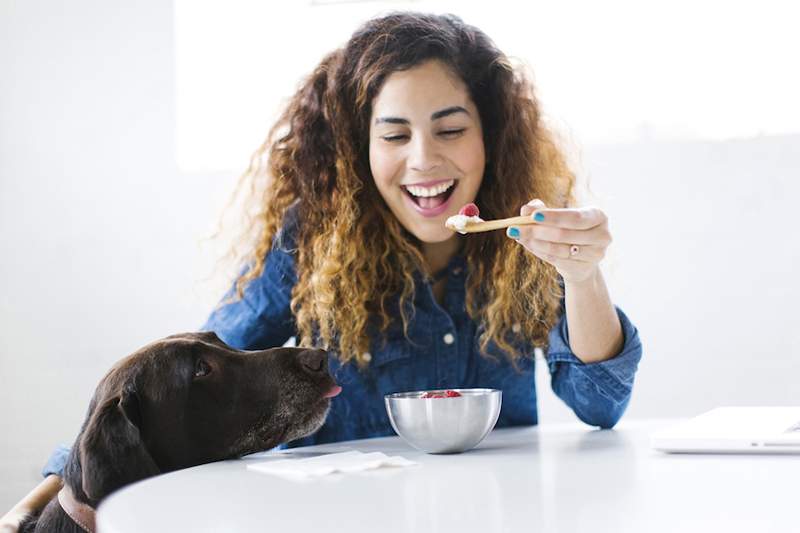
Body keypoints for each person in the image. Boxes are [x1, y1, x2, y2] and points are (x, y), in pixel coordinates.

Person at [3, 11, 641, 529]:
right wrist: (44, 500)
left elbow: (599, 406)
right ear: (359, 149)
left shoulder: (526, 238)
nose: (424, 160)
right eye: (394, 136)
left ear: (490, 137)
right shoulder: (310, 247)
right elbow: (185, 389)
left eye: (450, 129)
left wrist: (584, 276)